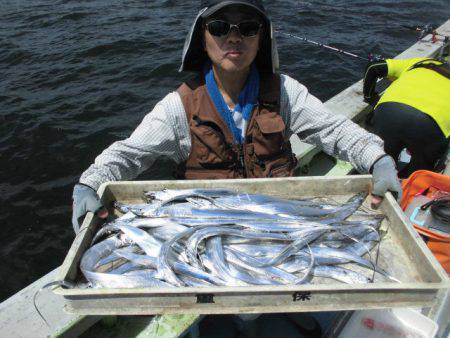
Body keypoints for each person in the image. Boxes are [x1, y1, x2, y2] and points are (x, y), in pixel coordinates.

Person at [72, 0, 402, 233]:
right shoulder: (179, 107)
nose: (234, 37)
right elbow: (129, 153)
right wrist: (89, 184)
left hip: (277, 225)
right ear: (202, 37)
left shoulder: (285, 92)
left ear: (262, 39)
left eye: (247, 27)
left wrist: (378, 160)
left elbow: (335, 130)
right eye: (219, 27)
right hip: (205, 231)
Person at [363, 56, 450, 178]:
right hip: (433, 124)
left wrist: (369, 97)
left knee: (380, 163)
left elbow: (373, 67)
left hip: (389, 111)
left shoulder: (418, 62)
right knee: (417, 175)